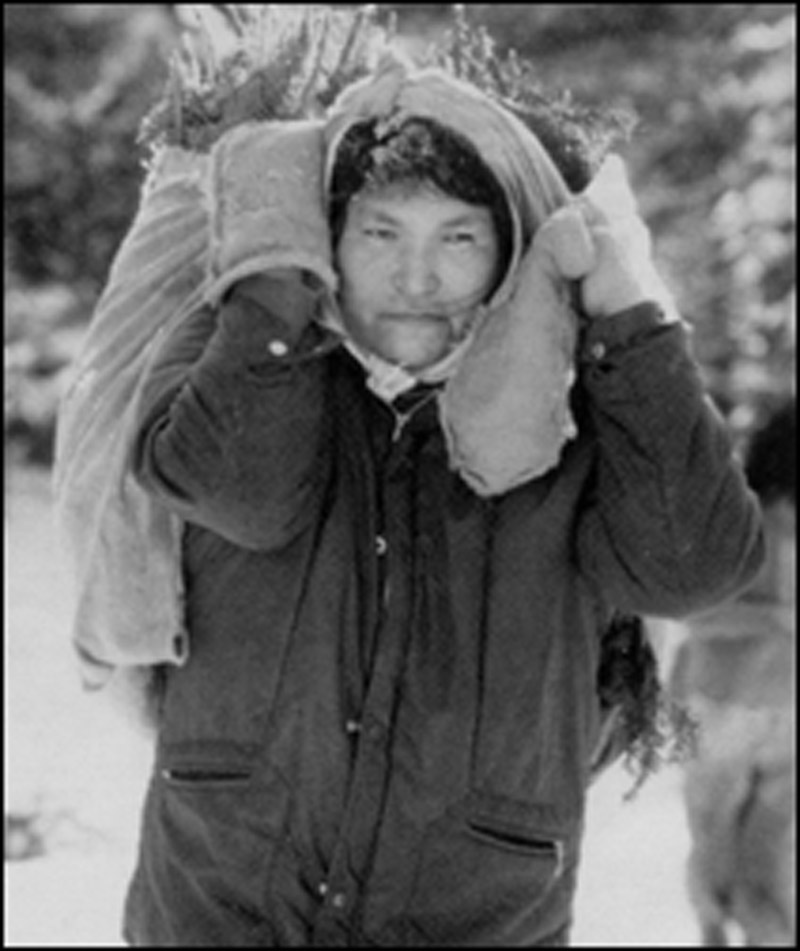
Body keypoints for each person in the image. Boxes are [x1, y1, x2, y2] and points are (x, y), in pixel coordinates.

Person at [56, 42, 763, 946]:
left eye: (458, 239)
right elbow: (243, 493)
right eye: (380, 234)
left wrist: (629, 316)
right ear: (330, 242)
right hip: (225, 907)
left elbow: (694, 567)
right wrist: (272, 271)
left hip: (474, 916)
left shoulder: (583, 420)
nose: (417, 279)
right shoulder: (246, 365)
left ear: (509, 248)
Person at [670, 399, 795, 947]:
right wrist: (780, 619)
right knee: (717, 864)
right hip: (722, 704)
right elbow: (693, 610)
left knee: (767, 870)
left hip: (782, 718)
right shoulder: (741, 521)